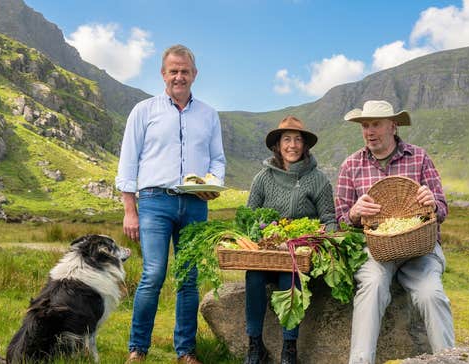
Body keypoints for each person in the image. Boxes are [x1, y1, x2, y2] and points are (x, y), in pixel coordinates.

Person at [115, 44, 226, 364]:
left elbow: (217, 159)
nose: (179, 76)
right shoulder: (143, 111)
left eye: (185, 71)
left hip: (195, 204)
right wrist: (129, 210)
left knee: (189, 278)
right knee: (152, 274)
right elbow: (128, 162)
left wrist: (213, 183)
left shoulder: (209, 114)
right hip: (153, 202)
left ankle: (185, 352)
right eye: (173, 71)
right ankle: (137, 348)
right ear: (163, 74)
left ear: (194, 74)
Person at [334, 100, 454, 364]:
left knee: (430, 294)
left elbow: (443, 210)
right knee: (373, 286)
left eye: (375, 124)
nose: (369, 131)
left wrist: (432, 202)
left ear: (393, 126)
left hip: (421, 251)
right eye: (365, 126)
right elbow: (341, 221)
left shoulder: (419, 158)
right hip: (376, 250)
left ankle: (450, 360)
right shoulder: (350, 166)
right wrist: (354, 213)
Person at [244, 116, 338, 364]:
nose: (292, 145)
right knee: (253, 275)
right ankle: (255, 347)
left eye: (298, 140)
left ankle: (289, 349)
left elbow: (329, 218)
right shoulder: (262, 178)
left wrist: (322, 238)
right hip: (268, 253)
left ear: (305, 145)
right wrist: (266, 234)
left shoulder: (318, 179)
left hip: (300, 256)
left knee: (290, 273)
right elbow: (248, 218)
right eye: (287, 139)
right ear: (278, 145)